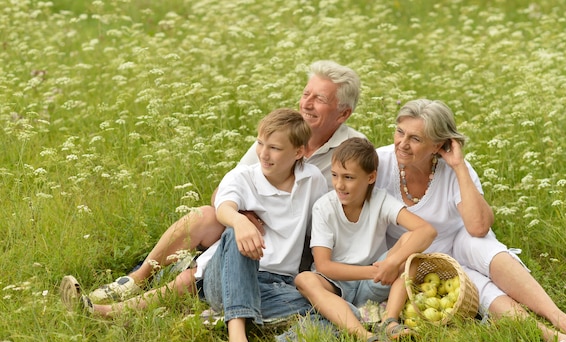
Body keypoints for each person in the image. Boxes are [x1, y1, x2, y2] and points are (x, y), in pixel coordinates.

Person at [60, 108, 329, 342]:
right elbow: (223, 207)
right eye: (260, 143)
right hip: (225, 275)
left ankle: (247, 319)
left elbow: (322, 228)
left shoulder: (313, 181)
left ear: (298, 152)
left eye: (274, 148)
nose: (263, 153)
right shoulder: (243, 177)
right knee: (234, 240)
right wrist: (239, 221)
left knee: (337, 309)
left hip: (275, 284)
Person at [87, 60, 365, 304]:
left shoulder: (353, 150)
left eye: (319, 99)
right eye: (306, 94)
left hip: (296, 250)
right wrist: (242, 217)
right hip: (250, 233)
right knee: (207, 215)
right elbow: (227, 189)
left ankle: (188, 281)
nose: (306, 103)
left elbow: (348, 216)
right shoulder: (279, 136)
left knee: (204, 270)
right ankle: (137, 278)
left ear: (342, 114)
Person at [375, 99, 566, 342]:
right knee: (477, 285)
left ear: (438, 144)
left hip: (460, 242)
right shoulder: (380, 163)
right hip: (419, 260)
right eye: (400, 132)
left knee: (479, 244)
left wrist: (458, 166)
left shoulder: (454, 168)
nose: (402, 143)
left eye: (415, 138)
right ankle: (552, 337)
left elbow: (478, 226)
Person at [294, 138, 437, 342]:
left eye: (349, 177)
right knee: (304, 279)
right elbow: (324, 266)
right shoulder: (324, 207)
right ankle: (367, 337)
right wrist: (372, 272)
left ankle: (389, 320)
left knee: (411, 247)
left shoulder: (380, 200)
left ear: (371, 177)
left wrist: (393, 262)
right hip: (336, 284)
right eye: (335, 175)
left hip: (377, 280)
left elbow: (427, 231)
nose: (339, 185)